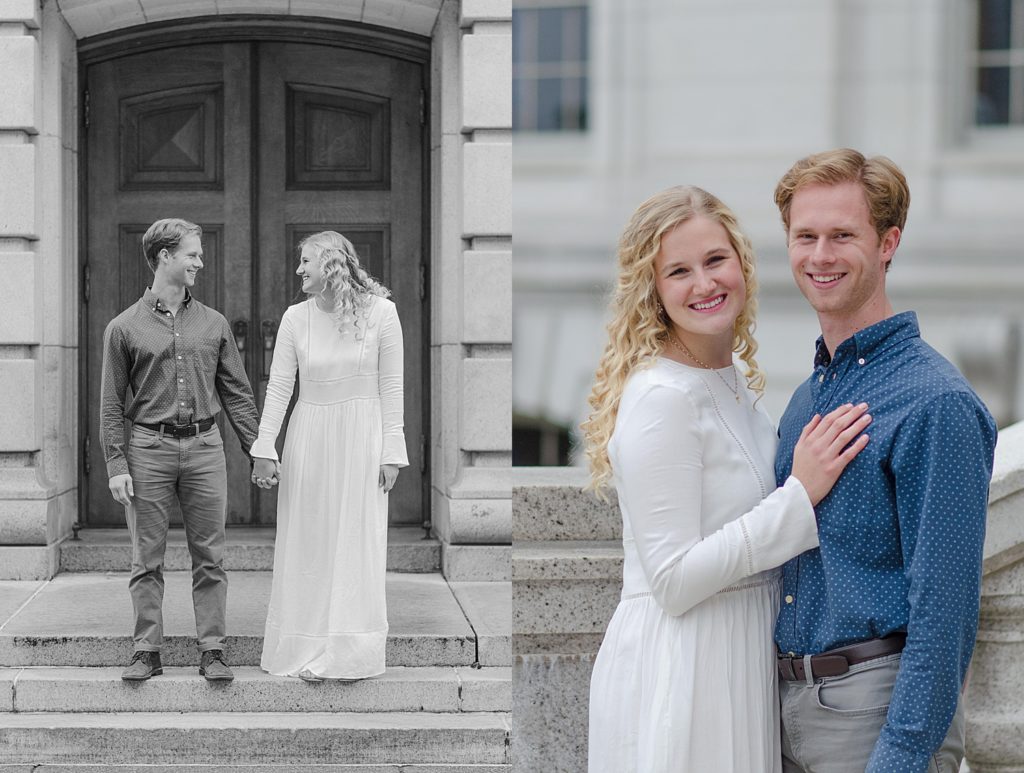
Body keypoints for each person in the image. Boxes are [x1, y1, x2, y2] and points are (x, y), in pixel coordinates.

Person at [582, 186, 873, 773]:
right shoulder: (661, 398)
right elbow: (671, 579)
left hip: (742, 654)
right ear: (654, 291)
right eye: (679, 271)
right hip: (686, 669)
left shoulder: (731, 379)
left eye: (715, 261)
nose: (704, 284)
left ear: (741, 262)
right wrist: (799, 496)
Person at [771, 149, 998, 773]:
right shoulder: (804, 400)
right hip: (784, 711)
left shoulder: (936, 401)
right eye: (805, 236)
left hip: (873, 719)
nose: (820, 255)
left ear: (888, 242)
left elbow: (945, 610)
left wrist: (899, 758)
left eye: (842, 235)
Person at [100, 218, 261, 683]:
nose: (199, 262)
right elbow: (111, 403)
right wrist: (116, 463)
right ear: (164, 256)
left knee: (210, 555)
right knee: (145, 557)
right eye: (192, 254)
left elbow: (237, 393)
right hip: (148, 447)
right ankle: (146, 649)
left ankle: (212, 649)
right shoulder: (123, 328)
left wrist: (259, 451)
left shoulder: (214, 323)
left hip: (206, 446)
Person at [250, 230, 407, 682]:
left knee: (356, 539)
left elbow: (391, 384)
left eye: (305, 262)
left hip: (362, 434)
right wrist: (265, 445)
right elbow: (279, 386)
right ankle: (304, 645)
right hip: (310, 433)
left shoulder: (382, 313)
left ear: (331, 264)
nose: (298, 270)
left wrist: (391, 450)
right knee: (309, 539)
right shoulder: (295, 318)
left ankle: (348, 653)